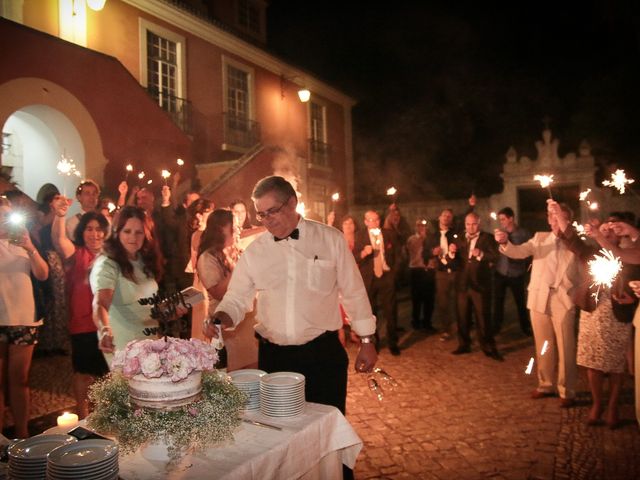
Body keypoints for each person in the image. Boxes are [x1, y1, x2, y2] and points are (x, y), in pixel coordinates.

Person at [203, 175, 377, 416]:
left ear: (292, 202)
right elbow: (236, 299)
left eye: (272, 211)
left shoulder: (330, 239)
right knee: (280, 429)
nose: (266, 220)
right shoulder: (255, 252)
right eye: (261, 214)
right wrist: (220, 318)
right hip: (275, 359)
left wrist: (367, 340)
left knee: (326, 428)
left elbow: (353, 291)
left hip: (322, 354)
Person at [554, 208, 637, 428]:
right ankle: (598, 404)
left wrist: (633, 300)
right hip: (593, 313)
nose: (607, 233)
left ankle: (613, 407)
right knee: (593, 363)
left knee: (616, 364)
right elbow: (571, 239)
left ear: (618, 235)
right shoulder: (591, 253)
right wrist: (559, 216)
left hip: (618, 315)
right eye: (603, 230)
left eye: (611, 231)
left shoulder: (629, 255)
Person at [495, 200, 580, 407]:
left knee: (566, 346)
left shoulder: (577, 242)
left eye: (558, 217)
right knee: (543, 345)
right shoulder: (540, 238)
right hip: (539, 297)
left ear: (568, 220)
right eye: (551, 217)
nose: (553, 221)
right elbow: (519, 251)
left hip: (564, 299)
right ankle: (546, 384)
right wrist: (505, 242)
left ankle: (567, 390)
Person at [51, 196, 110, 418]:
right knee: (84, 374)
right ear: (82, 232)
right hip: (83, 323)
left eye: (99, 229)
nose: (94, 234)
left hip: (109, 324)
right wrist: (59, 215)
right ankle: (83, 418)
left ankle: (107, 416)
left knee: (108, 374)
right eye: (89, 229)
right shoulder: (76, 254)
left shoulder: (113, 256)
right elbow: (58, 240)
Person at [0, 196, 49, 437]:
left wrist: (29, 247)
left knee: (19, 380)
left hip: (24, 318)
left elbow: (42, 274)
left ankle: (22, 434)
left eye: (7, 216)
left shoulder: (23, 241)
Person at [90, 206, 161, 359]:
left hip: (150, 341)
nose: (133, 238)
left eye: (139, 232)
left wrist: (169, 310)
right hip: (124, 345)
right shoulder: (107, 264)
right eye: (127, 231)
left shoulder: (143, 260)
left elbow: (146, 304)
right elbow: (100, 303)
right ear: (116, 232)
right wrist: (104, 330)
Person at [197, 209, 258, 371]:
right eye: (235, 225)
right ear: (220, 228)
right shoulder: (207, 257)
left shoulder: (237, 252)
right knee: (237, 375)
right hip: (226, 323)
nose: (238, 229)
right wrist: (239, 268)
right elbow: (219, 292)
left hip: (248, 324)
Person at [453, 212, 503, 360]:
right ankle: (464, 344)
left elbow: (496, 256)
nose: (471, 227)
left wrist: (481, 254)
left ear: (479, 223)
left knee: (483, 317)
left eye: (474, 224)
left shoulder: (487, 238)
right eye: (468, 224)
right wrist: (451, 253)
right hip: (462, 284)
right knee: (462, 317)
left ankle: (488, 346)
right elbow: (455, 261)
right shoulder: (460, 238)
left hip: (480, 284)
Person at [355, 210, 401, 355]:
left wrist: (394, 273)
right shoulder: (360, 235)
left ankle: (393, 342)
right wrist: (363, 253)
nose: (375, 222)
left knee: (390, 310)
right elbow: (354, 257)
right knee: (371, 313)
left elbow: (398, 255)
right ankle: (374, 343)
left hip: (387, 276)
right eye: (371, 220)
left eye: (377, 219)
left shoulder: (389, 234)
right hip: (370, 278)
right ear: (365, 221)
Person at [493, 207, 532, 335]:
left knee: (520, 302)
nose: (502, 222)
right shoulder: (500, 234)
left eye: (503, 219)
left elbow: (528, 252)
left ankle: (525, 327)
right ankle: (496, 327)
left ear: (511, 218)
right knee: (498, 301)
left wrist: (526, 268)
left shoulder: (524, 234)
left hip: (516, 273)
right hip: (501, 272)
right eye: (500, 220)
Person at [423, 208, 460, 341]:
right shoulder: (432, 237)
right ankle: (446, 329)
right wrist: (432, 252)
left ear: (452, 219)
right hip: (441, 274)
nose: (446, 218)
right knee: (443, 303)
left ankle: (462, 327)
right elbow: (424, 254)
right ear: (439, 217)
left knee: (459, 301)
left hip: (456, 272)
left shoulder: (456, 234)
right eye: (444, 215)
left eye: (449, 216)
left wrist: (457, 250)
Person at [407, 219, 435, 332]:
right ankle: (416, 321)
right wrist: (421, 239)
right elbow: (412, 252)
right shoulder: (412, 239)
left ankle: (427, 322)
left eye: (423, 226)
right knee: (416, 298)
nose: (421, 228)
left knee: (429, 298)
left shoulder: (431, 238)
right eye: (419, 226)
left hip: (429, 270)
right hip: (417, 269)